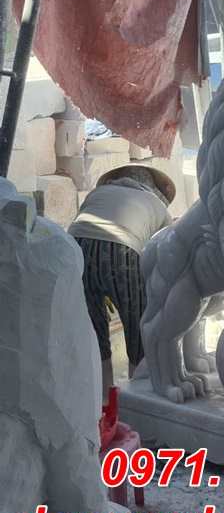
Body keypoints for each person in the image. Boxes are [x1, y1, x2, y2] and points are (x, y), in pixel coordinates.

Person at [68, 164, 175, 402]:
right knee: (138, 330)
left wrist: (99, 281)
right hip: (121, 252)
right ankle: (136, 401)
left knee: (95, 331)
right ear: (153, 187)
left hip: (76, 249)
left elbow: (84, 228)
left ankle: (102, 401)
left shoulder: (97, 193)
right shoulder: (156, 205)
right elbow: (167, 252)